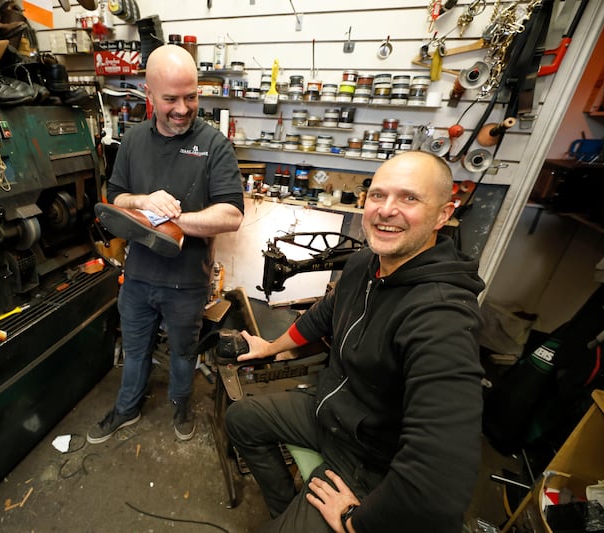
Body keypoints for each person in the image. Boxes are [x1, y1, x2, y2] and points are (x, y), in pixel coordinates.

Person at [225, 151, 485, 532]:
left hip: (367, 456)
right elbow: (324, 315)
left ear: (443, 214)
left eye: (409, 198)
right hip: (331, 413)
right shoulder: (365, 263)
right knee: (242, 419)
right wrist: (270, 347)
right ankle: (285, 512)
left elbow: (441, 483)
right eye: (378, 195)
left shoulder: (441, 317)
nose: (386, 210)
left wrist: (356, 522)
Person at [87, 44, 245, 444]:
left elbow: (232, 214)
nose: (182, 108)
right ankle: (126, 409)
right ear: (149, 94)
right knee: (136, 350)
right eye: (171, 99)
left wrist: (174, 223)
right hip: (138, 277)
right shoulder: (134, 140)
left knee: (182, 354)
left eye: (191, 97)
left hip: (187, 282)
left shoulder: (214, 145)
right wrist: (143, 201)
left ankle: (181, 404)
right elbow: (116, 196)